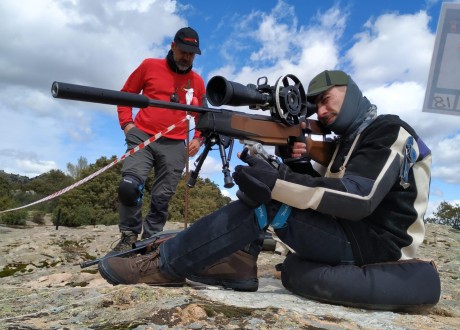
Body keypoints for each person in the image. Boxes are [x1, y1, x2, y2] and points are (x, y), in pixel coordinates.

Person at [98, 70, 432, 292]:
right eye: (315, 105)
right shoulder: (347, 143)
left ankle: (165, 264)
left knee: (270, 201)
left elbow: (359, 199)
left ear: (353, 94)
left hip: (380, 246)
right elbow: (318, 193)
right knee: (267, 191)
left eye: (326, 99)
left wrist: (278, 180)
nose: (320, 111)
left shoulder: (389, 130)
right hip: (350, 234)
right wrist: (290, 164)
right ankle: (240, 265)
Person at [108, 27, 206, 256]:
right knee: (130, 186)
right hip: (143, 136)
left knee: (162, 197)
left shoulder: (198, 82)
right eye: (183, 51)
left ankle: (149, 242)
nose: (187, 57)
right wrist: (127, 125)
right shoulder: (149, 66)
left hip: (175, 144)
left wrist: (199, 139)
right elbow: (125, 95)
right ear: (173, 46)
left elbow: (204, 115)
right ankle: (128, 237)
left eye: (192, 54)